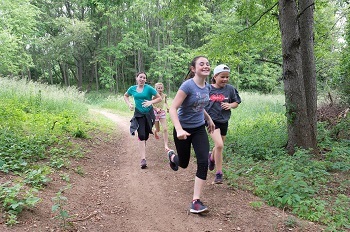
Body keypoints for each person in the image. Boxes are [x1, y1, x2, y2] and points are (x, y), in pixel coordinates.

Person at [168, 56, 215, 214]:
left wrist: (208, 119)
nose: (206, 66)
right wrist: (179, 129)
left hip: (198, 128)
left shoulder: (207, 87)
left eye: (207, 64)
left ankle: (196, 201)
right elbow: (173, 108)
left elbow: (200, 106)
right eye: (201, 64)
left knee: (203, 161)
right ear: (193, 69)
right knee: (183, 164)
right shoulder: (187, 86)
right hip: (182, 129)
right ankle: (173, 157)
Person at [205, 64, 241, 184]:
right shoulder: (208, 88)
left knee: (218, 146)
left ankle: (211, 157)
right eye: (222, 77)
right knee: (219, 145)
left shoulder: (230, 89)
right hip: (211, 121)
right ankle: (219, 173)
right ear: (215, 76)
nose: (225, 79)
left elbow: (236, 102)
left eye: (227, 77)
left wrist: (230, 105)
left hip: (224, 120)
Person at [124, 72, 162, 169]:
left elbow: (159, 98)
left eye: (144, 78)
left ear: (145, 80)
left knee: (145, 135)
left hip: (149, 114)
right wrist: (129, 104)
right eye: (140, 77)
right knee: (141, 135)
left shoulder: (149, 88)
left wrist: (150, 102)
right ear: (137, 78)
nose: (142, 79)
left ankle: (143, 142)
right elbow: (126, 96)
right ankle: (143, 159)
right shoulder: (132, 88)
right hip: (139, 113)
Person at [152, 82, 170, 151]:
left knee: (165, 129)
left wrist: (168, 108)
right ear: (156, 89)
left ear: (163, 88)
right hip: (155, 113)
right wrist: (156, 108)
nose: (160, 89)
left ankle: (166, 145)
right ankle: (155, 131)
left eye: (161, 88)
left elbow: (165, 102)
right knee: (158, 129)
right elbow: (151, 104)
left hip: (162, 112)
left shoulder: (164, 95)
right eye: (158, 88)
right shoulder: (154, 96)